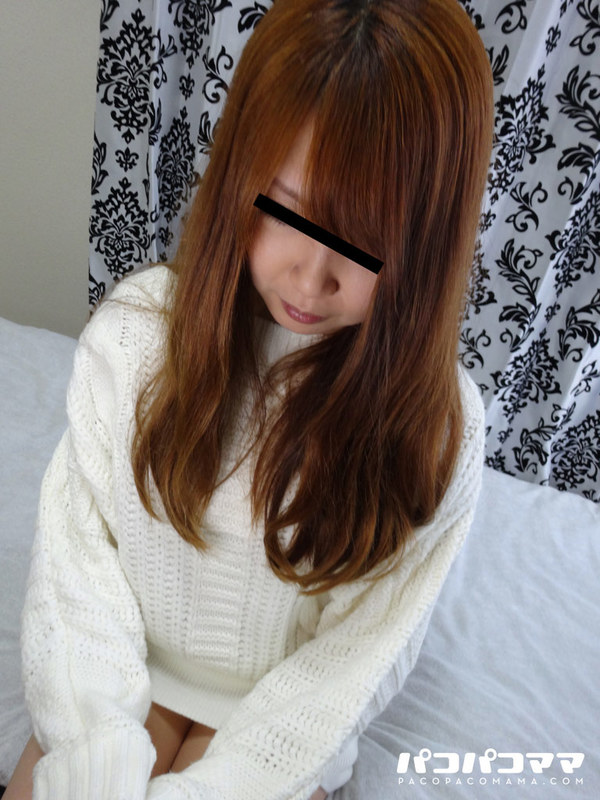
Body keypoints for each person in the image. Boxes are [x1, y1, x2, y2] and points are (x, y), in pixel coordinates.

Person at [6, 0, 493, 797]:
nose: (311, 277)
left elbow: (355, 662)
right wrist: (96, 746)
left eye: (367, 242)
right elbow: (77, 564)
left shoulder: (437, 432)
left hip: (278, 723)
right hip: (123, 664)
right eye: (287, 211)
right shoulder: (135, 339)